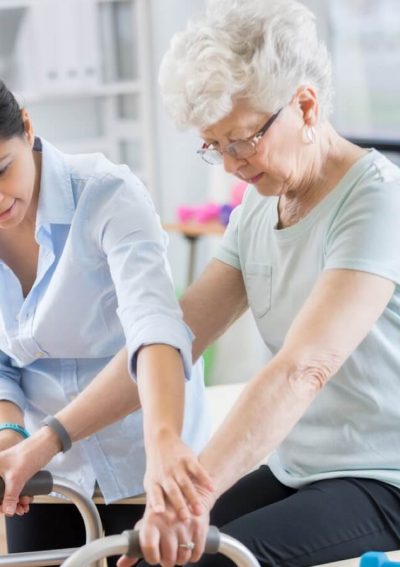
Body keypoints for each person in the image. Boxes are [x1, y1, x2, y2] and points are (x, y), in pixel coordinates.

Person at [118, 0, 400, 566]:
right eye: (214, 146)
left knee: (210, 558)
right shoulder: (256, 209)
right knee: (159, 556)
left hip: (385, 476)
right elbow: (177, 334)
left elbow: (304, 368)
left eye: (241, 141)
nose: (230, 164)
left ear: (305, 104)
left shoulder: (378, 200)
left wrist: (192, 496)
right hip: (300, 468)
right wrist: (52, 436)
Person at [0, 80, 212, 566]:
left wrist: (163, 441)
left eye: (2, 170)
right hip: (47, 475)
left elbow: (154, 326)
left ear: (27, 126)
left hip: (145, 458)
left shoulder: (106, 195)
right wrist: (11, 437)